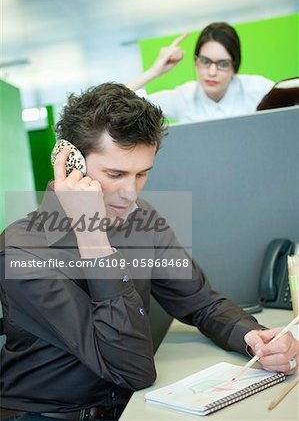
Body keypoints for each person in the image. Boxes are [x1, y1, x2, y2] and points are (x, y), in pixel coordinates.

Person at [0, 83, 297, 421]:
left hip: (132, 407)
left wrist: (253, 337)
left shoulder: (141, 218)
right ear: (72, 164)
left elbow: (200, 302)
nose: (130, 193)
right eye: (116, 174)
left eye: (142, 174)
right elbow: (131, 368)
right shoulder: (21, 249)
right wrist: (93, 239)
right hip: (51, 415)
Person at [127, 22, 274, 123]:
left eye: (222, 64)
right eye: (205, 61)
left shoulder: (258, 88)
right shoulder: (183, 98)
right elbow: (112, 102)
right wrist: (154, 71)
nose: (212, 72)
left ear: (234, 68)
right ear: (196, 63)